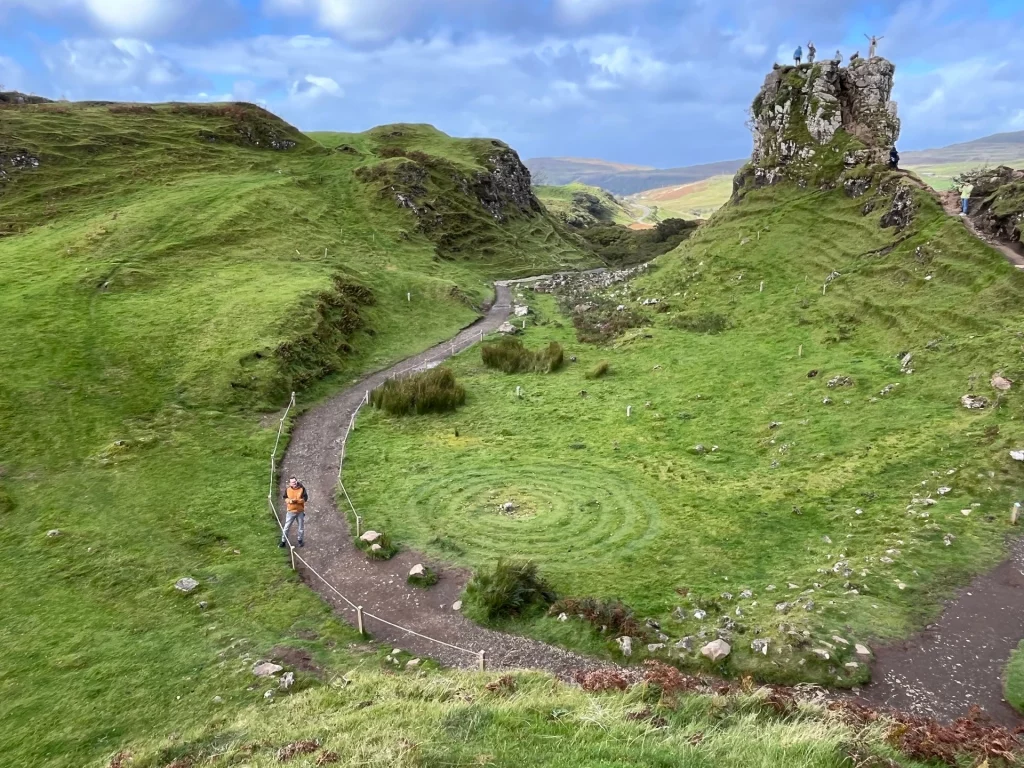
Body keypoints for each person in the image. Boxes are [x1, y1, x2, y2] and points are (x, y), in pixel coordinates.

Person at [280, 477, 308, 547]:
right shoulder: (288, 490)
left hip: (300, 511)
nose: (294, 483)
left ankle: (300, 540)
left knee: (301, 527)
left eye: (295, 481)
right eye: (293, 482)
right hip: (290, 512)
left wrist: (299, 501)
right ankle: (283, 541)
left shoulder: (302, 489)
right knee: (286, 527)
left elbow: (305, 498)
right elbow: (285, 498)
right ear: (290, 483)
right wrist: (290, 501)